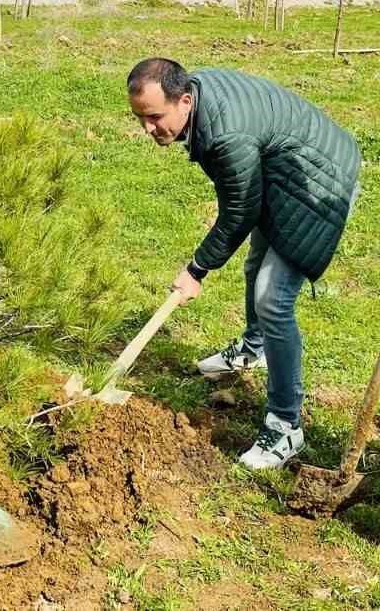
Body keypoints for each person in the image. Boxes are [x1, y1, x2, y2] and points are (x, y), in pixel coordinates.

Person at [127, 59, 361, 470]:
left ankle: (286, 424)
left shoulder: (226, 134)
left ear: (184, 100)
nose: (148, 129)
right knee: (256, 264)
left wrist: (197, 269)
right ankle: (254, 349)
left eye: (154, 117)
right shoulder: (200, 100)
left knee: (273, 296)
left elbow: (239, 209)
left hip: (320, 177)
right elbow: (244, 199)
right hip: (286, 168)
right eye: (140, 118)